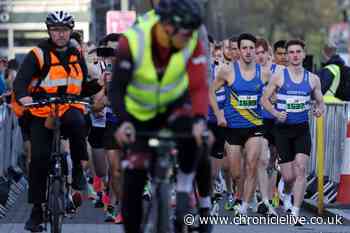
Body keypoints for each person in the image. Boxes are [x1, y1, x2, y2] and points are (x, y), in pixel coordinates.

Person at [108, 0, 210, 232]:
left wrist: (199, 119)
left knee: (199, 139)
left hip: (174, 105)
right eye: (185, 34)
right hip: (138, 114)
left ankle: (191, 194)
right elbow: (116, 89)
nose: (189, 40)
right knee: (133, 180)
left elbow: (198, 86)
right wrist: (124, 122)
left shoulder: (190, 38)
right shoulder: (132, 40)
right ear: (166, 26)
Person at [13, 11, 102, 232]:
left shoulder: (75, 53)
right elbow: (21, 83)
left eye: (64, 30)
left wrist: (99, 84)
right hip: (42, 110)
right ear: (49, 31)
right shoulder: (38, 54)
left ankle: (79, 172)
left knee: (79, 122)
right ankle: (35, 212)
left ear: (70, 31)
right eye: (55, 30)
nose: (60, 34)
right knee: (39, 160)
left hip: (69, 106)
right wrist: (25, 98)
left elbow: (81, 87)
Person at [261, 39, 324, 224]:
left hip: (302, 129)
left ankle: (295, 213)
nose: (295, 55)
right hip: (282, 130)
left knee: (301, 169)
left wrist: (320, 109)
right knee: (288, 176)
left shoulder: (313, 79)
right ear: (287, 56)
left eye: (298, 52)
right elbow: (264, 100)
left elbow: (321, 102)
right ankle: (285, 192)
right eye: (292, 52)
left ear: (304, 55)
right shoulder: (279, 77)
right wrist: (275, 113)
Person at [210, 33, 269, 216]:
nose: (249, 51)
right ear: (240, 50)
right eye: (245, 48)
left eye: (252, 48)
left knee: (252, 165)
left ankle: (243, 207)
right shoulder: (227, 71)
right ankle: (237, 192)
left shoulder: (264, 73)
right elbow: (210, 91)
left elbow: (278, 91)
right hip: (233, 128)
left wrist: (316, 104)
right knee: (235, 172)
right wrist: (219, 114)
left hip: (255, 126)